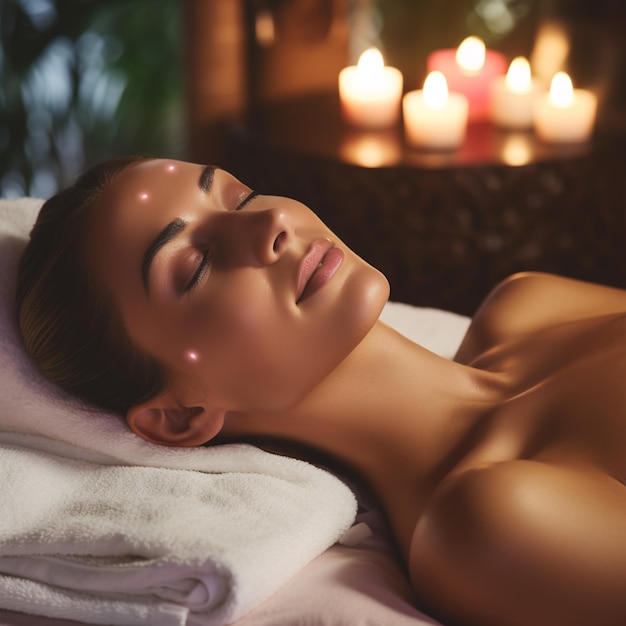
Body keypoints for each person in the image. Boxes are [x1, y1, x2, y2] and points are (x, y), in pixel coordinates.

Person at [16, 157, 626, 626]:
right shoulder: (489, 526)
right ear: (179, 416)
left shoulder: (531, 306)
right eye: (196, 265)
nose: (270, 223)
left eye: (239, 196)